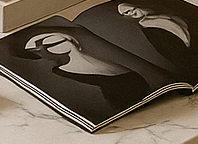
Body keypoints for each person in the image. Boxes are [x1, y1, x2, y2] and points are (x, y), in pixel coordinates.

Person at [14, 29, 149, 112]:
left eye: (48, 43)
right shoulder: (61, 71)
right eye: (39, 50)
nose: (44, 48)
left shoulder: (95, 61)